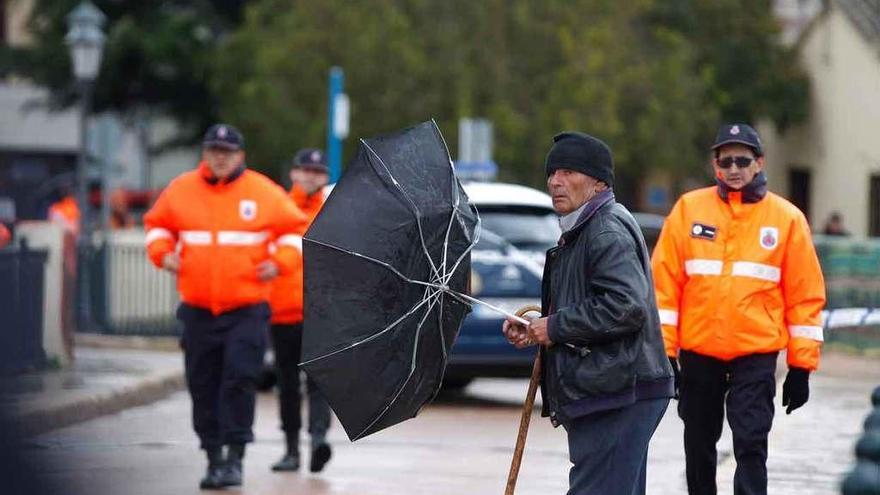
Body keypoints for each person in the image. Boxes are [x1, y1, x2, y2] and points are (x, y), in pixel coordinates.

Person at [651, 123, 826, 495]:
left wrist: (801, 367)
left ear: (759, 163)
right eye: (725, 160)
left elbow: (804, 297)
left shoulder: (786, 219)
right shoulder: (688, 210)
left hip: (755, 355)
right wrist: (665, 353)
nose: (733, 169)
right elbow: (664, 288)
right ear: (715, 164)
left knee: (751, 445)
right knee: (698, 445)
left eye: (742, 161)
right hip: (699, 353)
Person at [502, 132, 674, 495]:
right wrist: (536, 328)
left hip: (621, 393)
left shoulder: (605, 230)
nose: (554, 181)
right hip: (614, 390)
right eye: (552, 173)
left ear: (598, 183)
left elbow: (626, 307)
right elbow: (587, 302)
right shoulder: (581, 230)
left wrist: (557, 326)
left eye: (567, 171)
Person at [143, 124, 308, 490]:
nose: (220, 157)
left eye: (227, 151)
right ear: (205, 153)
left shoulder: (263, 192)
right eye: (214, 150)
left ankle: (235, 458)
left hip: (246, 308)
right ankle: (212, 458)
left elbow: (295, 232)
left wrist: (280, 261)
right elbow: (157, 226)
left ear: (240, 156)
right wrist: (161, 253)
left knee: (239, 379)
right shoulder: (181, 190)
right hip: (198, 309)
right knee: (203, 384)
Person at [268, 148, 333, 473]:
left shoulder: (333, 212)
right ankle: (291, 449)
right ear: (294, 173)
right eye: (305, 169)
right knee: (288, 383)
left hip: (321, 313)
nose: (311, 175)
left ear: (325, 177)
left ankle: (318, 439)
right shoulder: (278, 208)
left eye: (318, 171)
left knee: (320, 381)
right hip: (283, 312)